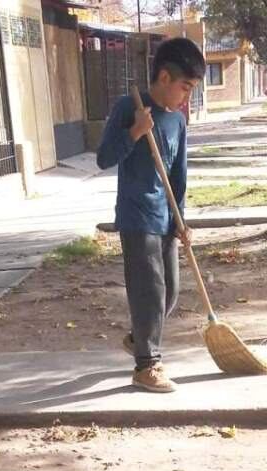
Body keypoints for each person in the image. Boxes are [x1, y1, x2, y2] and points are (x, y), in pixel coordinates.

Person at [96, 37, 205, 393]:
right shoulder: (130, 107)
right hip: (136, 215)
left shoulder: (177, 122)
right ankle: (147, 365)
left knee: (169, 292)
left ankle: (139, 338)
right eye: (185, 87)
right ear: (163, 77)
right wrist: (135, 132)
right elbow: (104, 157)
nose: (187, 97)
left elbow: (179, 176)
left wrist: (181, 221)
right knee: (149, 292)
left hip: (165, 215)